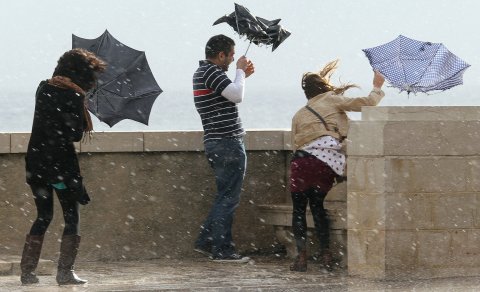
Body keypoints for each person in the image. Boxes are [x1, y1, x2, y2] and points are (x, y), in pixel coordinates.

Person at [289, 60, 385, 272]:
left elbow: (295, 143)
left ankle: (301, 256)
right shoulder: (332, 99)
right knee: (317, 207)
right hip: (324, 162)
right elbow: (367, 103)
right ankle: (326, 254)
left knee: (298, 210)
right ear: (324, 87)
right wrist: (377, 86)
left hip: (300, 162)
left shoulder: (299, 113)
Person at [20, 48, 106, 285]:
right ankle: (65, 272)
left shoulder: (43, 88)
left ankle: (27, 272)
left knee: (44, 215)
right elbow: (75, 135)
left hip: (36, 163)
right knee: (71, 216)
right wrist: (81, 107)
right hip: (59, 168)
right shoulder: (74, 97)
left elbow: (48, 124)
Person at [192, 34, 255, 263]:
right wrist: (239, 72)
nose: (233, 59)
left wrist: (242, 76)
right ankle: (222, 250)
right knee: (229, 198)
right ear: (221, 55)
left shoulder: (204, 73)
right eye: (231, 55)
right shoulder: (211, 72)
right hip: (227, 142)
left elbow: (231, 92)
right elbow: (237, 96)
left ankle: (207, 242)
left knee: (224, 196)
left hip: (216, 142)